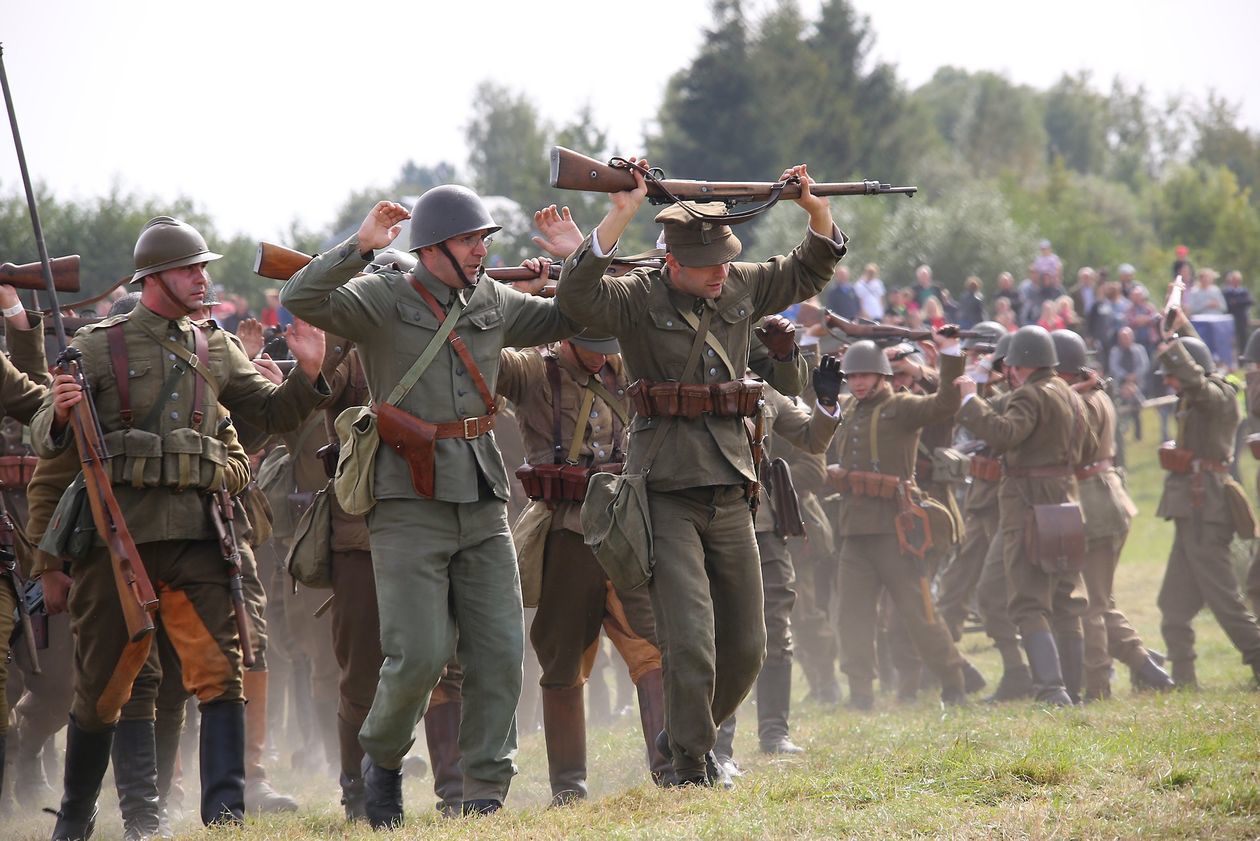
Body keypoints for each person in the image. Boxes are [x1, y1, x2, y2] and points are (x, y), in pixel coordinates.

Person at [281, 187, 579, 825]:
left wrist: (579, 257)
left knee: (500, 650)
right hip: (405, 500)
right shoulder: (382, 298)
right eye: (472, 240)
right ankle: (382, 761)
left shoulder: (492, 301)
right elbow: (300, 299)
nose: (482, 250)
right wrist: (361, 246)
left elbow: (569, 320)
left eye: (485, 240)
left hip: (480, 494)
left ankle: (484, 792)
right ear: (435, 247)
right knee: (417, 653)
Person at [31, 217, 329, 837]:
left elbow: (270, 414)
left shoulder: (215, 346)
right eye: (191, 268)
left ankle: (223, 820)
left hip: (201, 533)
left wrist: (307, 375)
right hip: (118, 538)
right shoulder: (93, 346)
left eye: (203, 268)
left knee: (219, 673)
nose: (204, 279)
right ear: (156, 277)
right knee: (110, 683)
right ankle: (95, 815)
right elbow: (49, 442)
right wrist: (58, 416)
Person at [554, 158, 846, 786]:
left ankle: (681, 735)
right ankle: (688, 764)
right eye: (708, 266)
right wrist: (620, 213)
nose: (721, 275)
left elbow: (807, 267)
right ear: (672, 265)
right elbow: (577, 297)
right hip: (664, 488)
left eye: (725, 263)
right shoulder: (635, 298)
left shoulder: (737, 284)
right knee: (690, 638)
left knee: (747, 645)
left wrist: (815, 211)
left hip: (732, 484)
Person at [496, 329, 671, 803]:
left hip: (624, 528)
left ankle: (669, 766)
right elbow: (486, 358)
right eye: (594, 347)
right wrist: (532, 306)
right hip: (565, 531)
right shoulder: (535, 369)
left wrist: (587, 261)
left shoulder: (621, 365)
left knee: (654, 645)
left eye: (612, 348)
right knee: (563, 660)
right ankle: (569, 787)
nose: (604, 359)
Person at [826, 335, 971, 709]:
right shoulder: (849, 410)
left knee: (919, 612)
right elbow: (817, 413)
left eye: (865, 376)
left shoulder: (901, 407)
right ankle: (861, 693)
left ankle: (954, 683)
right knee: (851, 617)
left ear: (881, 376)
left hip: (897, 530)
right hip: (855, 532)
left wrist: (952, 355)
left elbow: (945, 403)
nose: (857, 383)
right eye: (852, 376)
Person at [955, 325, 1095, 706]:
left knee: (1028, 599)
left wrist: (970, 401)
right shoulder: (1071, 395)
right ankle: (1072, 689)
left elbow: (1004, 434)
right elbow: (1089, 449)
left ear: (1020, 365)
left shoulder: (1029, 396)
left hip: (1028, 503)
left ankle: (1051, 690)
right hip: (1065, 499)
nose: (1009, 373)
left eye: (1012, 366)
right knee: (1066, 597)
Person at [1050, 330, 1173, 700]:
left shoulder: (1081, 401)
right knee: (1103, 600)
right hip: (1106, 496)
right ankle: (1145, 666)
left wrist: (1061, 398)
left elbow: (1073, 446)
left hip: (1092, 501)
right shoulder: (1095, 393)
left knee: (1091, 604)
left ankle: (1098, 686)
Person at [1153, 318, 1260, 689]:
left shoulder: (1220, 397)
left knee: (1225, 602)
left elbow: (1199, 381)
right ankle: (1183, 678)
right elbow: (1197, 373)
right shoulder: (1198, 393)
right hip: (1191, 510)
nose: (1168, 381)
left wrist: (1171, 343)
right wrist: (1182, 328)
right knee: (1173, 605)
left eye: (1173, 373)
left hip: (1206, 508)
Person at [0, 282, 52, 805]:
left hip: (30, 532)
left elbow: (40, 405)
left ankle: (30, 747)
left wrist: (15, 310)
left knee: (58, 680)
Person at [1223, 271, 1253, 355]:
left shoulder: (1244, 291)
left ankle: (1243, 357)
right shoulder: (1226, 292)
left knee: (1243, 338)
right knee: (1230, 339)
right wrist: (1239, 302)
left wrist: (1236, 302)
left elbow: (1249, 301)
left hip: (1242, 318)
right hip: (1230, 318)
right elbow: (1227, 304)